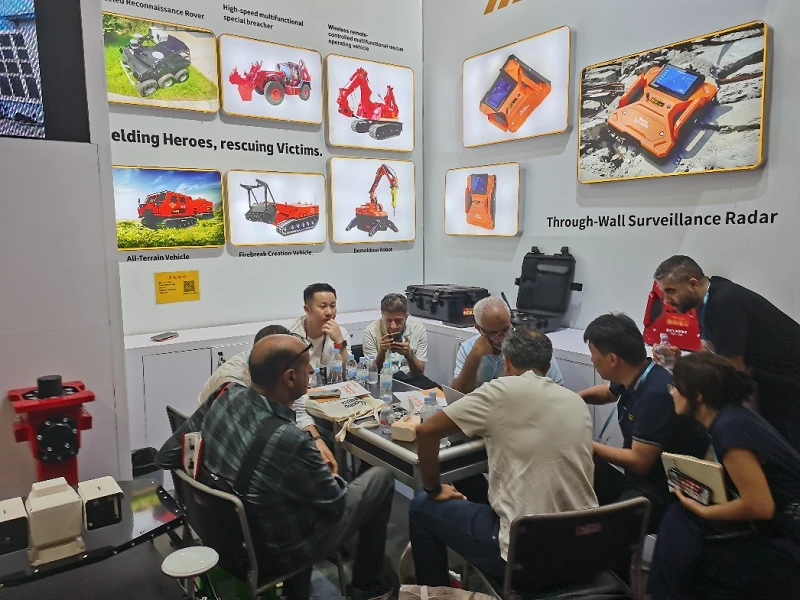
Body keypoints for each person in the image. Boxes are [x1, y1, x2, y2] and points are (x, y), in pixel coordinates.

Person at [157, 334, 395, 600]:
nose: (311, 370)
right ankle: (366, 585)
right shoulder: (290, 440)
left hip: (221, 537)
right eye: (306, 365)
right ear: (290, 378)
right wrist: (328, 474)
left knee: (288, 494)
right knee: (381, 478)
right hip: (274, 553)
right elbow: (335, 502)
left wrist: (209, 480)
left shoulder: (224, 394)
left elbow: (168, 454)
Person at [409, 328, 598, 585]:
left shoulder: (499, 391)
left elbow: (426, 431)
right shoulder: (575, 402)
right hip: (584, 548)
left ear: (506, 363)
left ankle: (436, 592)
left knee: (421, 507)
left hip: (526, 555)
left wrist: (434, 488)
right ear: (548, 365)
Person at [648, 353, 800, 600]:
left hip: (787, 542)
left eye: (675, 387)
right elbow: (714, 467)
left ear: (697, 395)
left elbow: (760, 506)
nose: (671, 392)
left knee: (682, 533)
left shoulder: (729, 430)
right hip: (777, 531)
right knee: (681, 523)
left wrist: (705, 511)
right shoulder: (733, 418)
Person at [653, 255, 800, 452]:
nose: (666, 300)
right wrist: (679, 361)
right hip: (775, 384)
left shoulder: (724, 303)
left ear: (693, 284)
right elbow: (709, 351)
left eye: (670, 291)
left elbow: (731, 368)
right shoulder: (709, 299)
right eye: (663, 293)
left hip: (789, 385)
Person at [579, 313, 708, 530]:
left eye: (593, 354)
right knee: (582, 466)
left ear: (612, 359)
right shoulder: (641, 373)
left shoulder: (656, 395)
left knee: (609, 526)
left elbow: (640, 462)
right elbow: (607, 393)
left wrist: (584, 443)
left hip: (666, 490)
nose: (592, 360)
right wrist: (571, 399)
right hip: (643, 478)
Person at [196, 324, 337, 475]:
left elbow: (297, 407)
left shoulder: (267, 371)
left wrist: (316, 439)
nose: (310, 369)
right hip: (226, 453)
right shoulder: (232, 383)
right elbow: (246, 437)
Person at [452, 296, 563, 393]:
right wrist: (474, 356)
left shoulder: (532, 345)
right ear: (479, 329)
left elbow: (557, 391)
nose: (501, 338)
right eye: (493, 333)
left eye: (505, 330)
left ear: (511, 321)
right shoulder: (469, 348)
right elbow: (457, 397)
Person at [363, 293, 434, 387]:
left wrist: (409, 355)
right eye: (388, 320)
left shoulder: (418, 329)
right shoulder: (370, 332)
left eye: (398, 320)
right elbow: (372, 373)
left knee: (438, 391)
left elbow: (419, 372)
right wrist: (382, 352)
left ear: (406, 317)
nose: (393, 326)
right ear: (382, 315)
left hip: (410, 379)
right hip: (383, 380)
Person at [289, 283, 350, 372]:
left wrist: (339, 342)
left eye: (332, 306)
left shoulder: (341, 333)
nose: (329, 312)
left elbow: (348, 373)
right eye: (323, 306)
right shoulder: (290, 333)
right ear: (307, 309)